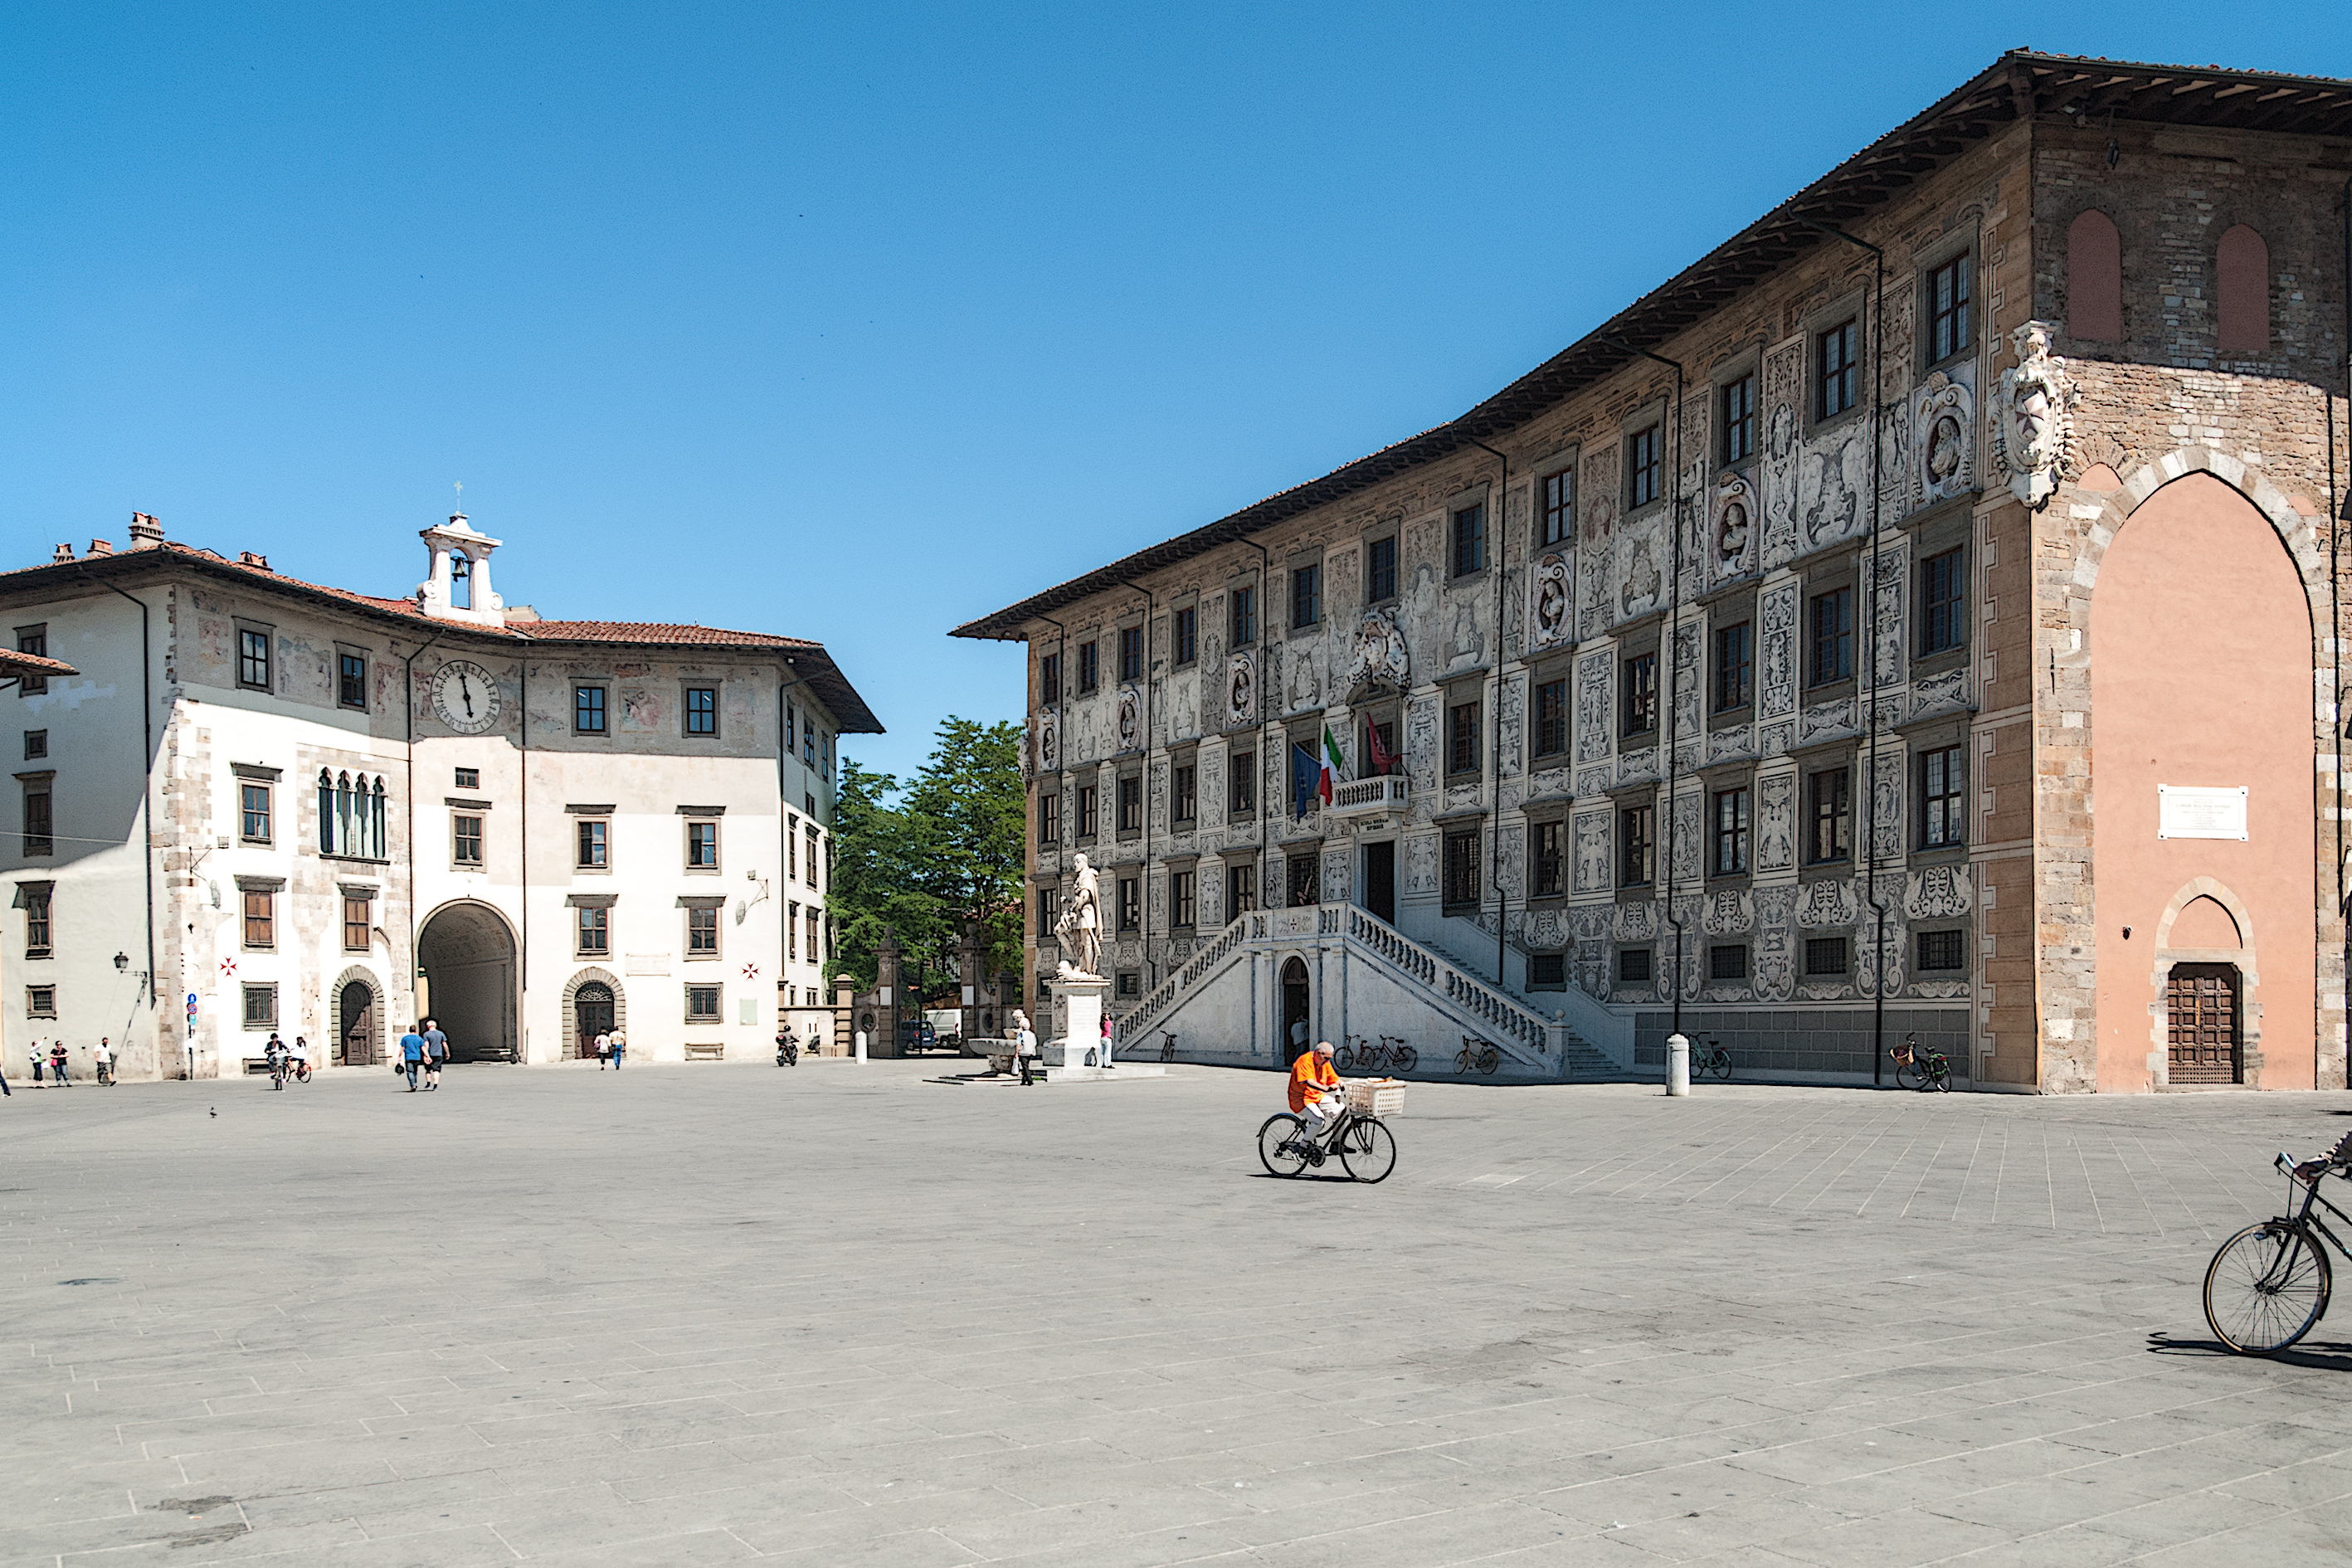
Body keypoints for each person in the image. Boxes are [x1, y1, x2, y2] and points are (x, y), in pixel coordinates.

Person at [1287, 1040, 1346, 1152]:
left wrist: (1346, 1085)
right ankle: (1302, 1146)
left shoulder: (1324, 1063)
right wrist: (1326, 1088)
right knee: (1318, 1120)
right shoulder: (1304, 1060)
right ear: (1318, 1053)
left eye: (1329, 1059)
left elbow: (1334, 1079)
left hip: (1317, 1096)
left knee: (1342, 1110)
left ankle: (1337, 1144)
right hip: (1301, 1099)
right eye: (1326, 1058)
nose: (1327, 1062)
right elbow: (1308, 1081)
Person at [421, 1018, 448, 1090]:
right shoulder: (441, 1033)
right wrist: (447, 1053)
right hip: (438, 1054)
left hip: (430, 1054)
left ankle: (428, 1084)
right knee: (436, 1070)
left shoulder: (426, 1034)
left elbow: (426, 1045)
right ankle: (435, 1085)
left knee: (428, 1070)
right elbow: (445, 1044)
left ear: (428, 1026)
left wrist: (426, 1055)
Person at [397, 1023, 426, 1090]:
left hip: (409, 1057)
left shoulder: (405, 1038)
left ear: (409, 1030)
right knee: (415, 1072)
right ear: (415, 1030)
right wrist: (427, 1056)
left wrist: (399, 1056)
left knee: (410, 1072)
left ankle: (413, 1085)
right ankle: (414, 1084)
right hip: (417, 1057)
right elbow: (423, 1048)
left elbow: (402, 1048)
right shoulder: (419, 1038)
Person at [1014, 1010, 1038, 1087]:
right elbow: (1034, 1043)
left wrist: (1017, 1052)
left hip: (1023, 1052)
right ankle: (1023, 1081)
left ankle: (1030, 1081)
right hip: (1029, 1052)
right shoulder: (1032, 1034)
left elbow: (1019, 1043)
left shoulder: (1021, 1034)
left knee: (1025, 1067)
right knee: (1026, 1065)